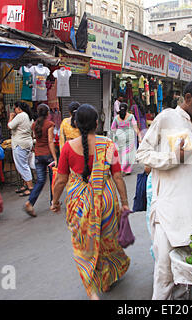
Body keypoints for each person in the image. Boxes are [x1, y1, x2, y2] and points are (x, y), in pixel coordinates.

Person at [136, 78, 192, 300]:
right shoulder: (166, 117)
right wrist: (173, 158)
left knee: (185, 274)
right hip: (169, 213)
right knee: (165, 274)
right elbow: (142, 154)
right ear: (187, 98)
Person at [50, 104, 131, 300]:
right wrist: (124, 202)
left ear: (76, 124)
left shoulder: (68, 148)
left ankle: (92, 290)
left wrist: (55, 201)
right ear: (97, 123)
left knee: (83, 244)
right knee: (106, 240)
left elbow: (60, 180)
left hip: (79, 203)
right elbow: (118, 176)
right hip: (107, 200)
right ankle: (107, 279)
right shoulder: (108, 144)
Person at [24, 104, 58, 217]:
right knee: (53, 179)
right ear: (48, 113)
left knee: (40, 181)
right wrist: (55, 157)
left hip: (38, 155)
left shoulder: (34, 125)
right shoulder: (50, 124)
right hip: (47, 154)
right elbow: (50, 141)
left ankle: (30, 202)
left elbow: (35, 138)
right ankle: (53, 202)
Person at [8, 101, 34, 197]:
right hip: (27, 143)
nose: (14, 110)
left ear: (18, 108)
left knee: (22, 166)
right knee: (25, 164)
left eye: (14, 108)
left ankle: (30, 188)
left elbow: (10, 126)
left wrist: (10, 117)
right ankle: (25, 185)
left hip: (19, 144)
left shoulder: (20, 115)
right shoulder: (28, 116)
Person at [111, 103, 141, 175]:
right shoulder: (131, 116)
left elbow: (113, 128)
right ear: (127, 109)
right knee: (128, 153)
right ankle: (125, 169)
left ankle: (122, 168)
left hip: (120, 136)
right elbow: (135, 127)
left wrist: (116, 134)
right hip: (129, 136)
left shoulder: (116, 118)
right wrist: (139, 136)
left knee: (121, 153)